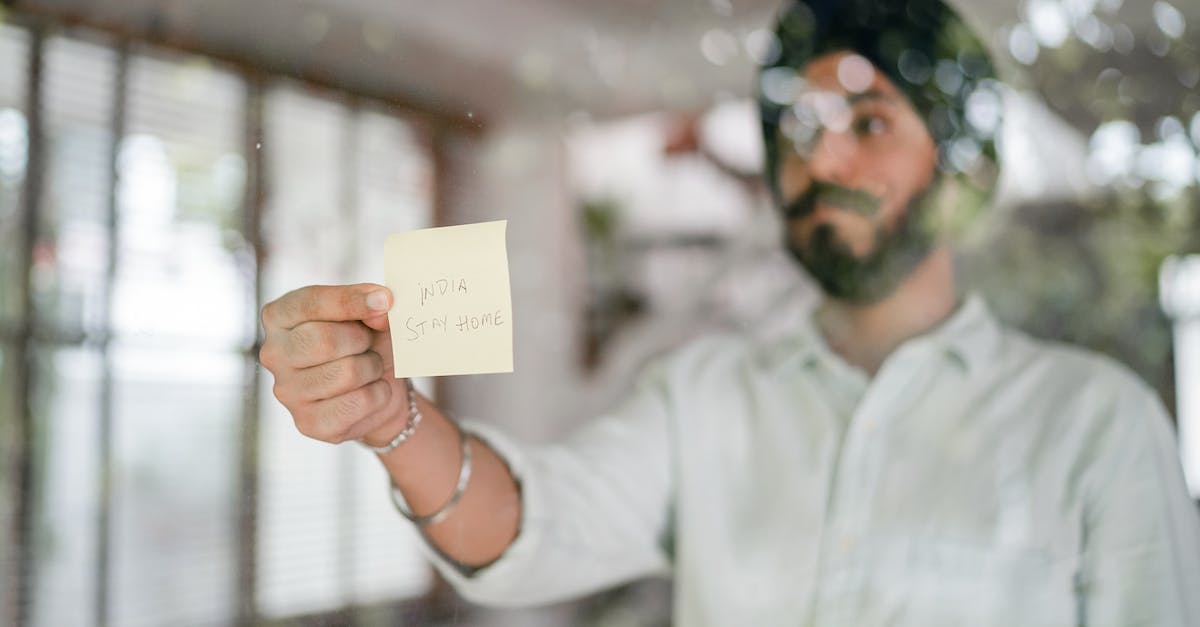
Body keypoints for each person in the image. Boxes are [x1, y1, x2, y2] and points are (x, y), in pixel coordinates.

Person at [257, 0, 1200, 624]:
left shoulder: (1099, 424)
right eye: (797, 128)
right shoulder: (702, 393)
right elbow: (534, 527)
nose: (821, 159)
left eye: (870, 123)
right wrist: (391, 417)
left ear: (965, 172)